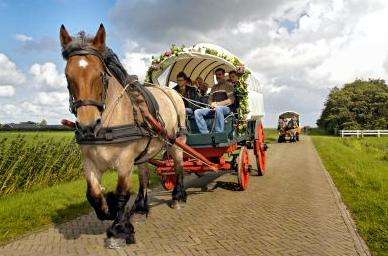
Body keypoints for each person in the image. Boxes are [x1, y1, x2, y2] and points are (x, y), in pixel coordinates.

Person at [194, 68, 235, 134]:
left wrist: (218, 104)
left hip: (226, 108)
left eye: (219, 74)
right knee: (197, 112)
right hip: (214, 108)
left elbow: (231, 100)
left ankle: (218, 132)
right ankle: (205, 133)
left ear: (224, 75)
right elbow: (210, 99)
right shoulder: (214, 87)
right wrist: (211, 104)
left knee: (218, 109)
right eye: (216, 75)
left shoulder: (228, 86)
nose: (218, 77)